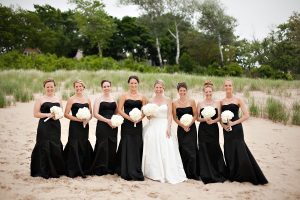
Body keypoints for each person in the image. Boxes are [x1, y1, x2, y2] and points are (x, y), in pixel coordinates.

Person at [221, 79, 268, 185]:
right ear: (224, 87)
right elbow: (220, 118)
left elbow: (246, 115)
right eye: (226, 85)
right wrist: (223, 125)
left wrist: (233, 123)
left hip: (237, 129)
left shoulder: (238, 100)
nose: (228, 87)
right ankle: (232, 174)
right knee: (229, 151)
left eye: (230, 85)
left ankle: (246, 174)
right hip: (226, 130)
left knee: (240, 150)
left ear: (232, 87)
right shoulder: (221, 101)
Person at [142, 80, 187, 184]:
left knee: (167, 146)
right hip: (153, 125)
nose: (158, 89)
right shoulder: (150, 100)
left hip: (164, 125)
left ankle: (168, 171)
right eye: (157, 87)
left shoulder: (168, 100)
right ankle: (153, 172)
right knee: (152, 147)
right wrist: (149, 114)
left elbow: (170, 115)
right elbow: (148, 117)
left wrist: (168, 127)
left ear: (163, 88)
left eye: (160, 87)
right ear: (154, 88)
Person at [31, 79, 65, 178]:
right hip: (44, 125)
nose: (50, 88)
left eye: (51, 86)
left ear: (54, 87)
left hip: (55, 125)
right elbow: (35, 114)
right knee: (44, 144)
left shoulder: (58, 99)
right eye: (47, 87)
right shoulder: (40, 99)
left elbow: (61, 114)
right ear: (45, 88)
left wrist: (56, 115)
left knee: (55, 144)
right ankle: (43, 169)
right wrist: (48, 114)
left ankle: (55, 169)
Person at [116, 75, 146, 181]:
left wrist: (139, 118)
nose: (133, 85)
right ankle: (125, 169)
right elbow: (119, 110)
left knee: (136, 144)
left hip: (138, 123)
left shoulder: (142, 97)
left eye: (135, 83)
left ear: (138, 84)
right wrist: (129, 118)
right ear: (128, 84)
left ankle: (135, 168)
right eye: (131, 83)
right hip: (127, 123)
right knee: (127, 143)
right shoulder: (124, 96)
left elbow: (145, 111)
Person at [197, 80, 227, 184]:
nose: (208, 93)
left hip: (213, 129)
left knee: (214, 148)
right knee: (204, 149)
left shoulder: (217, 103)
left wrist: (213, 121)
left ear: (212, 92)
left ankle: (217, 171)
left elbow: (219, 117)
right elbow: (197, 118)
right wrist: (204, 120)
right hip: (203, 129)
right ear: (204, 92)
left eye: (210, 92)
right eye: (206, 92)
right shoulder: (200, 104)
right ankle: (206, 173)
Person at [63, 80, 93, 178]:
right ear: (74, 88)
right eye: (76, 86)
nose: (78, 88)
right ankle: (74, 168)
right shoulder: (71, 99)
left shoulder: (87, 99)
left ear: (83, 88)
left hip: (85, 126)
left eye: (80, 86)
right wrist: (77, 119)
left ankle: (84, 167)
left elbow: (91, 114)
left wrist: (87, 119)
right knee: (74, 143)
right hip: (75, 126)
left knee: (83, 143)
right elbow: (66, 114)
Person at [90, 80, 118, 175]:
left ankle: (110, 168)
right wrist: (107, 121)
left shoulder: (114, 99)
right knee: (102, 145)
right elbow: (95, 114)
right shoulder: (99, 99)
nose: (106, 88)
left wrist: (115, 121)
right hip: (102, 124)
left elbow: (116, 112)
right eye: (104, 86)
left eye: (108, 86)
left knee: (112, 145)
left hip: (113, 125)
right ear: (102, 88)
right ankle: (100, 167)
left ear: (110, 87)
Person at [172, 82, 199, 180]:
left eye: (184, 90)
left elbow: (195, 115)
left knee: (192, 150)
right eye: (180, 91)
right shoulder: (174, 103)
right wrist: (183, 125)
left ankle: (193, 173)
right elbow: (175, 118)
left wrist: (189, 124)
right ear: (178, 91)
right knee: (183, 150)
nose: (182, 92)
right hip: (181, 129)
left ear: (186, 91)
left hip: (191, 128)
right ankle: (185, 173)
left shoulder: (192, 101)